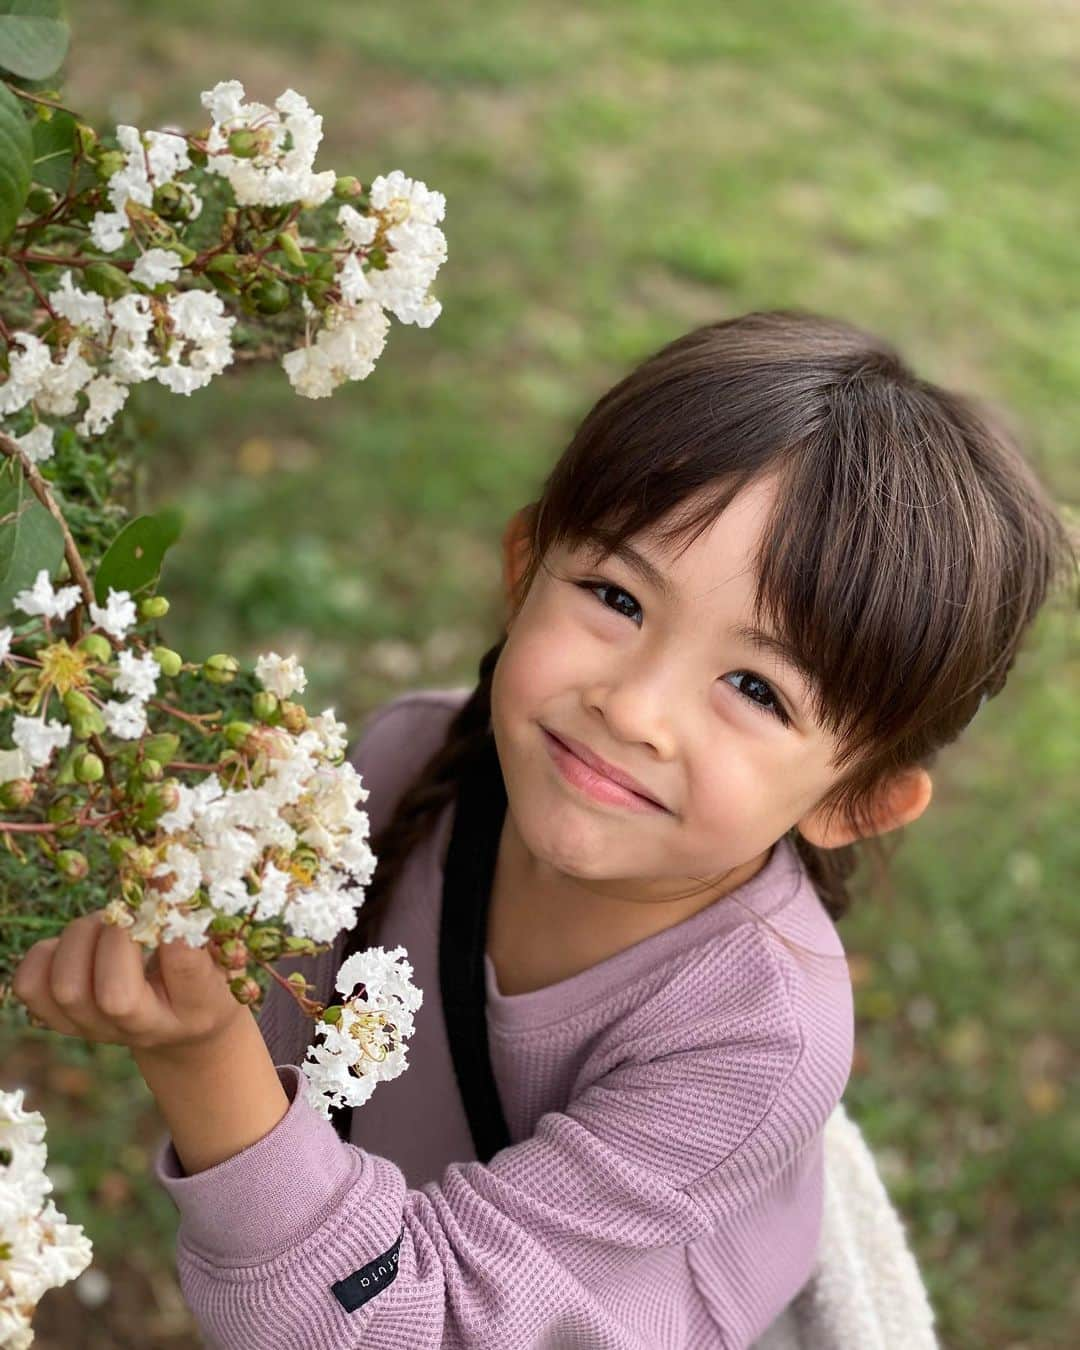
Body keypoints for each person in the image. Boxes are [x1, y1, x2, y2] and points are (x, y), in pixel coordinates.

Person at [147, 310, 1074, 1348]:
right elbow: (286, 1154)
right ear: (523, 565)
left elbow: (414, 1326)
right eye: (616, 596)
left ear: (854, 800)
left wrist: (196, 1056)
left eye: (756, 689)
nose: (635, 711)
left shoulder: (755, 1034)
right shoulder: (407, 765)